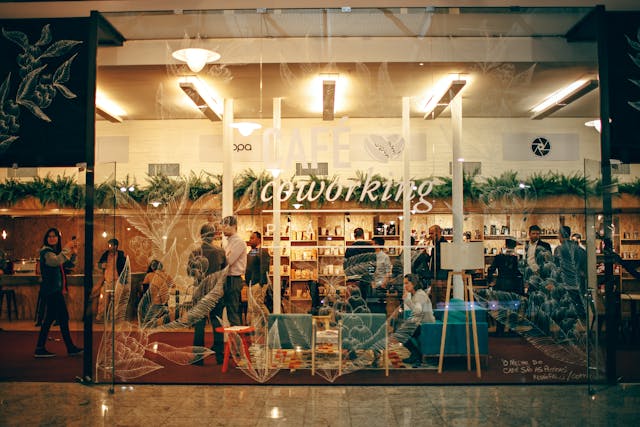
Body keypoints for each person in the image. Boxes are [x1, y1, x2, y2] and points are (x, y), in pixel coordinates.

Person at [34, 228, 83, 358]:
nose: (52, 238)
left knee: (51, 319)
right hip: (52, 291)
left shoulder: (55, 252)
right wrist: (67, 248)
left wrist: (74, 253)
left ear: (57, 238)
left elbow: (70, 265)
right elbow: (55, 261)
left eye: (54, 236)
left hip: (54, 291)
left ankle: (40, 348)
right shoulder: (46, 252)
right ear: (46, 238)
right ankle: (70, 348)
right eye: (49, 236)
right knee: (62, 318)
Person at [188, 223, 227, 365]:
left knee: (199, 324)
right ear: (213, 236)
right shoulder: (220, 252)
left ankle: (198, 358)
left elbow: (189, 272)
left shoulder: (195, 252)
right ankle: (219, 356)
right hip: (216, 291)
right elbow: (225, 272)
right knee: (217, 322)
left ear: (201, 235)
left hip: (200, 291)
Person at [394, 274, 435, 366]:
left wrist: (407, 300)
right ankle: (415, 355)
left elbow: (418, 312)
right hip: (421, 323)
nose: (405, 286)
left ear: (414, 283)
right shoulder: (416, 294)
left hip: (426, 325)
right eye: (404, 284)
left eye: (407, 283)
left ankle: (416, 356)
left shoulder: (420, 295)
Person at [486, 238, 523, 336]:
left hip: (501, 283)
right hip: (514, 284)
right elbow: (521, 272)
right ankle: (512, 330)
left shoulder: (499, 257)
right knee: (513, 308)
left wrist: (490, 281)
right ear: (515, 245)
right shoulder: (518, 257)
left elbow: (491, 269)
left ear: (505, 245)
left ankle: (500, 330)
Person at [221, 215, 247, 326]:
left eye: (226, 226)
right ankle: (235, 341)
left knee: (233, 312)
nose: (223, 229)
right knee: (229, 311)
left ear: (234, 226)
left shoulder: (238, 242)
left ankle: (238, 341)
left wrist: (223, 257)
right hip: (228, 279)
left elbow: (228, 261)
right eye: (222, 226)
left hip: (233, 279)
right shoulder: (229, 242)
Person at [94, 238, 126, 321]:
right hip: (107, 279)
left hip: (117, 280)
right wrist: (101, 266)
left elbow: (124, 267)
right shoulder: (105, 254)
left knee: (116, 299)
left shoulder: (121, 256)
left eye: (110, 245)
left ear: (116, 246)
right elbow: (99, 264)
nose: (109, 247)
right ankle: (100, 316)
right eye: (109, 245)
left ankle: (113, 317)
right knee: (103, 299)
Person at [140, 260, 175, 327]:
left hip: (153, 302)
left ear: (152, 267)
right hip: (164, 300)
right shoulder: (166, 275)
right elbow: (173, 286)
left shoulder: (149, 275)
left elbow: (145, 289)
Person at [245, 231, 271, 319]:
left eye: (252, 238)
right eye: (250, 238)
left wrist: (261, 284)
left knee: (258, 305)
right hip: (251, 283)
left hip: (258, 283)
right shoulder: (251, 252)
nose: (250, 240)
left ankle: (271, 321)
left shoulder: (262, 251)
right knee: (253, 307)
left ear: (259, 239)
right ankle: (256, 327)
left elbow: (265, 268)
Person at [343, 227, 375, 300]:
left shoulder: (349, 249)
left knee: (353, 303)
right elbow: (373, 265)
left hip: (353, 281)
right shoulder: (370, 247)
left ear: (354, 236)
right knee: (364, 303)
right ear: (363, 235)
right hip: (365, 280)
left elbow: (345, 266)